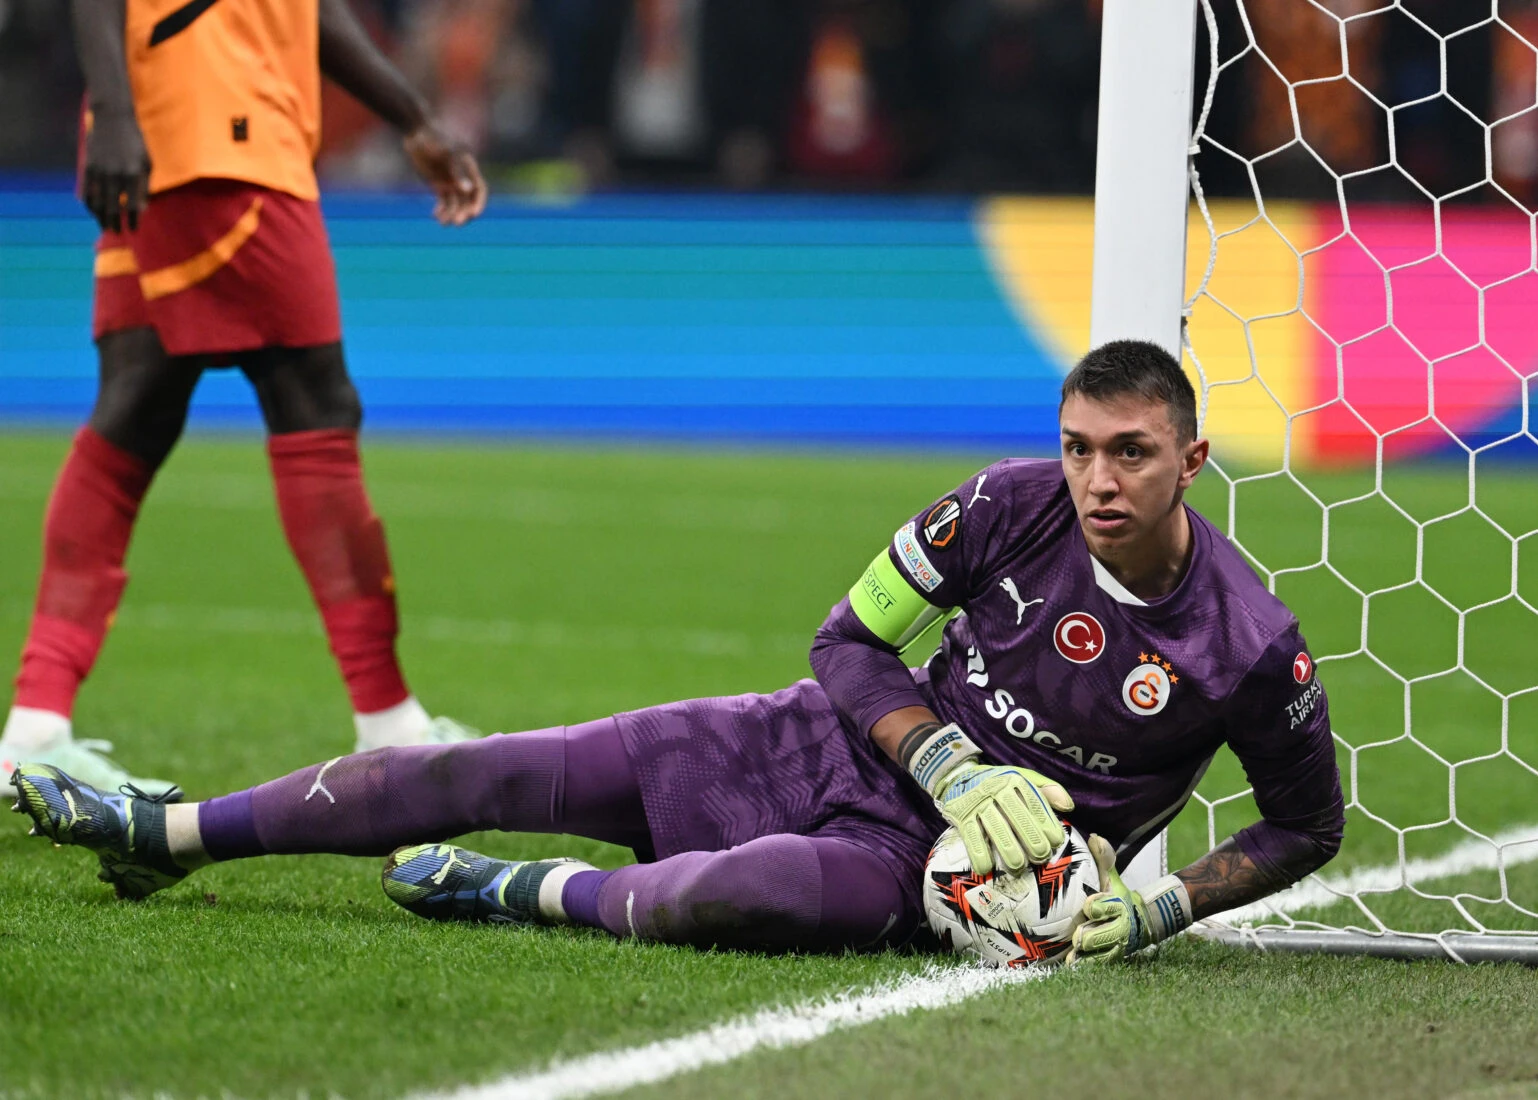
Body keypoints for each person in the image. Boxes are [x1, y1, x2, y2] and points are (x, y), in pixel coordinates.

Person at [14, 341, 1345, 962]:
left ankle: (511, 892)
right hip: (818, 745)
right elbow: (845, 642)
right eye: (1078, 445)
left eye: (1129, 452)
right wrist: (944, 760)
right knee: (489, 763)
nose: (1096, 479)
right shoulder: (1006, 503)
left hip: (916, 871)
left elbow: (1302, 828)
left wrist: (1166, 904)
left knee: (733, 900)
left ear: (1190, 460)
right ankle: (167, 837)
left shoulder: (1246, 647)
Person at [0, 0, 490, 795]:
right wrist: (117, 112)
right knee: (315, 402)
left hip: (189, 129)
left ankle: (36, 725)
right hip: (217, 133)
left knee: (136, 412)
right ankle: (388, 721)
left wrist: (413, 115)